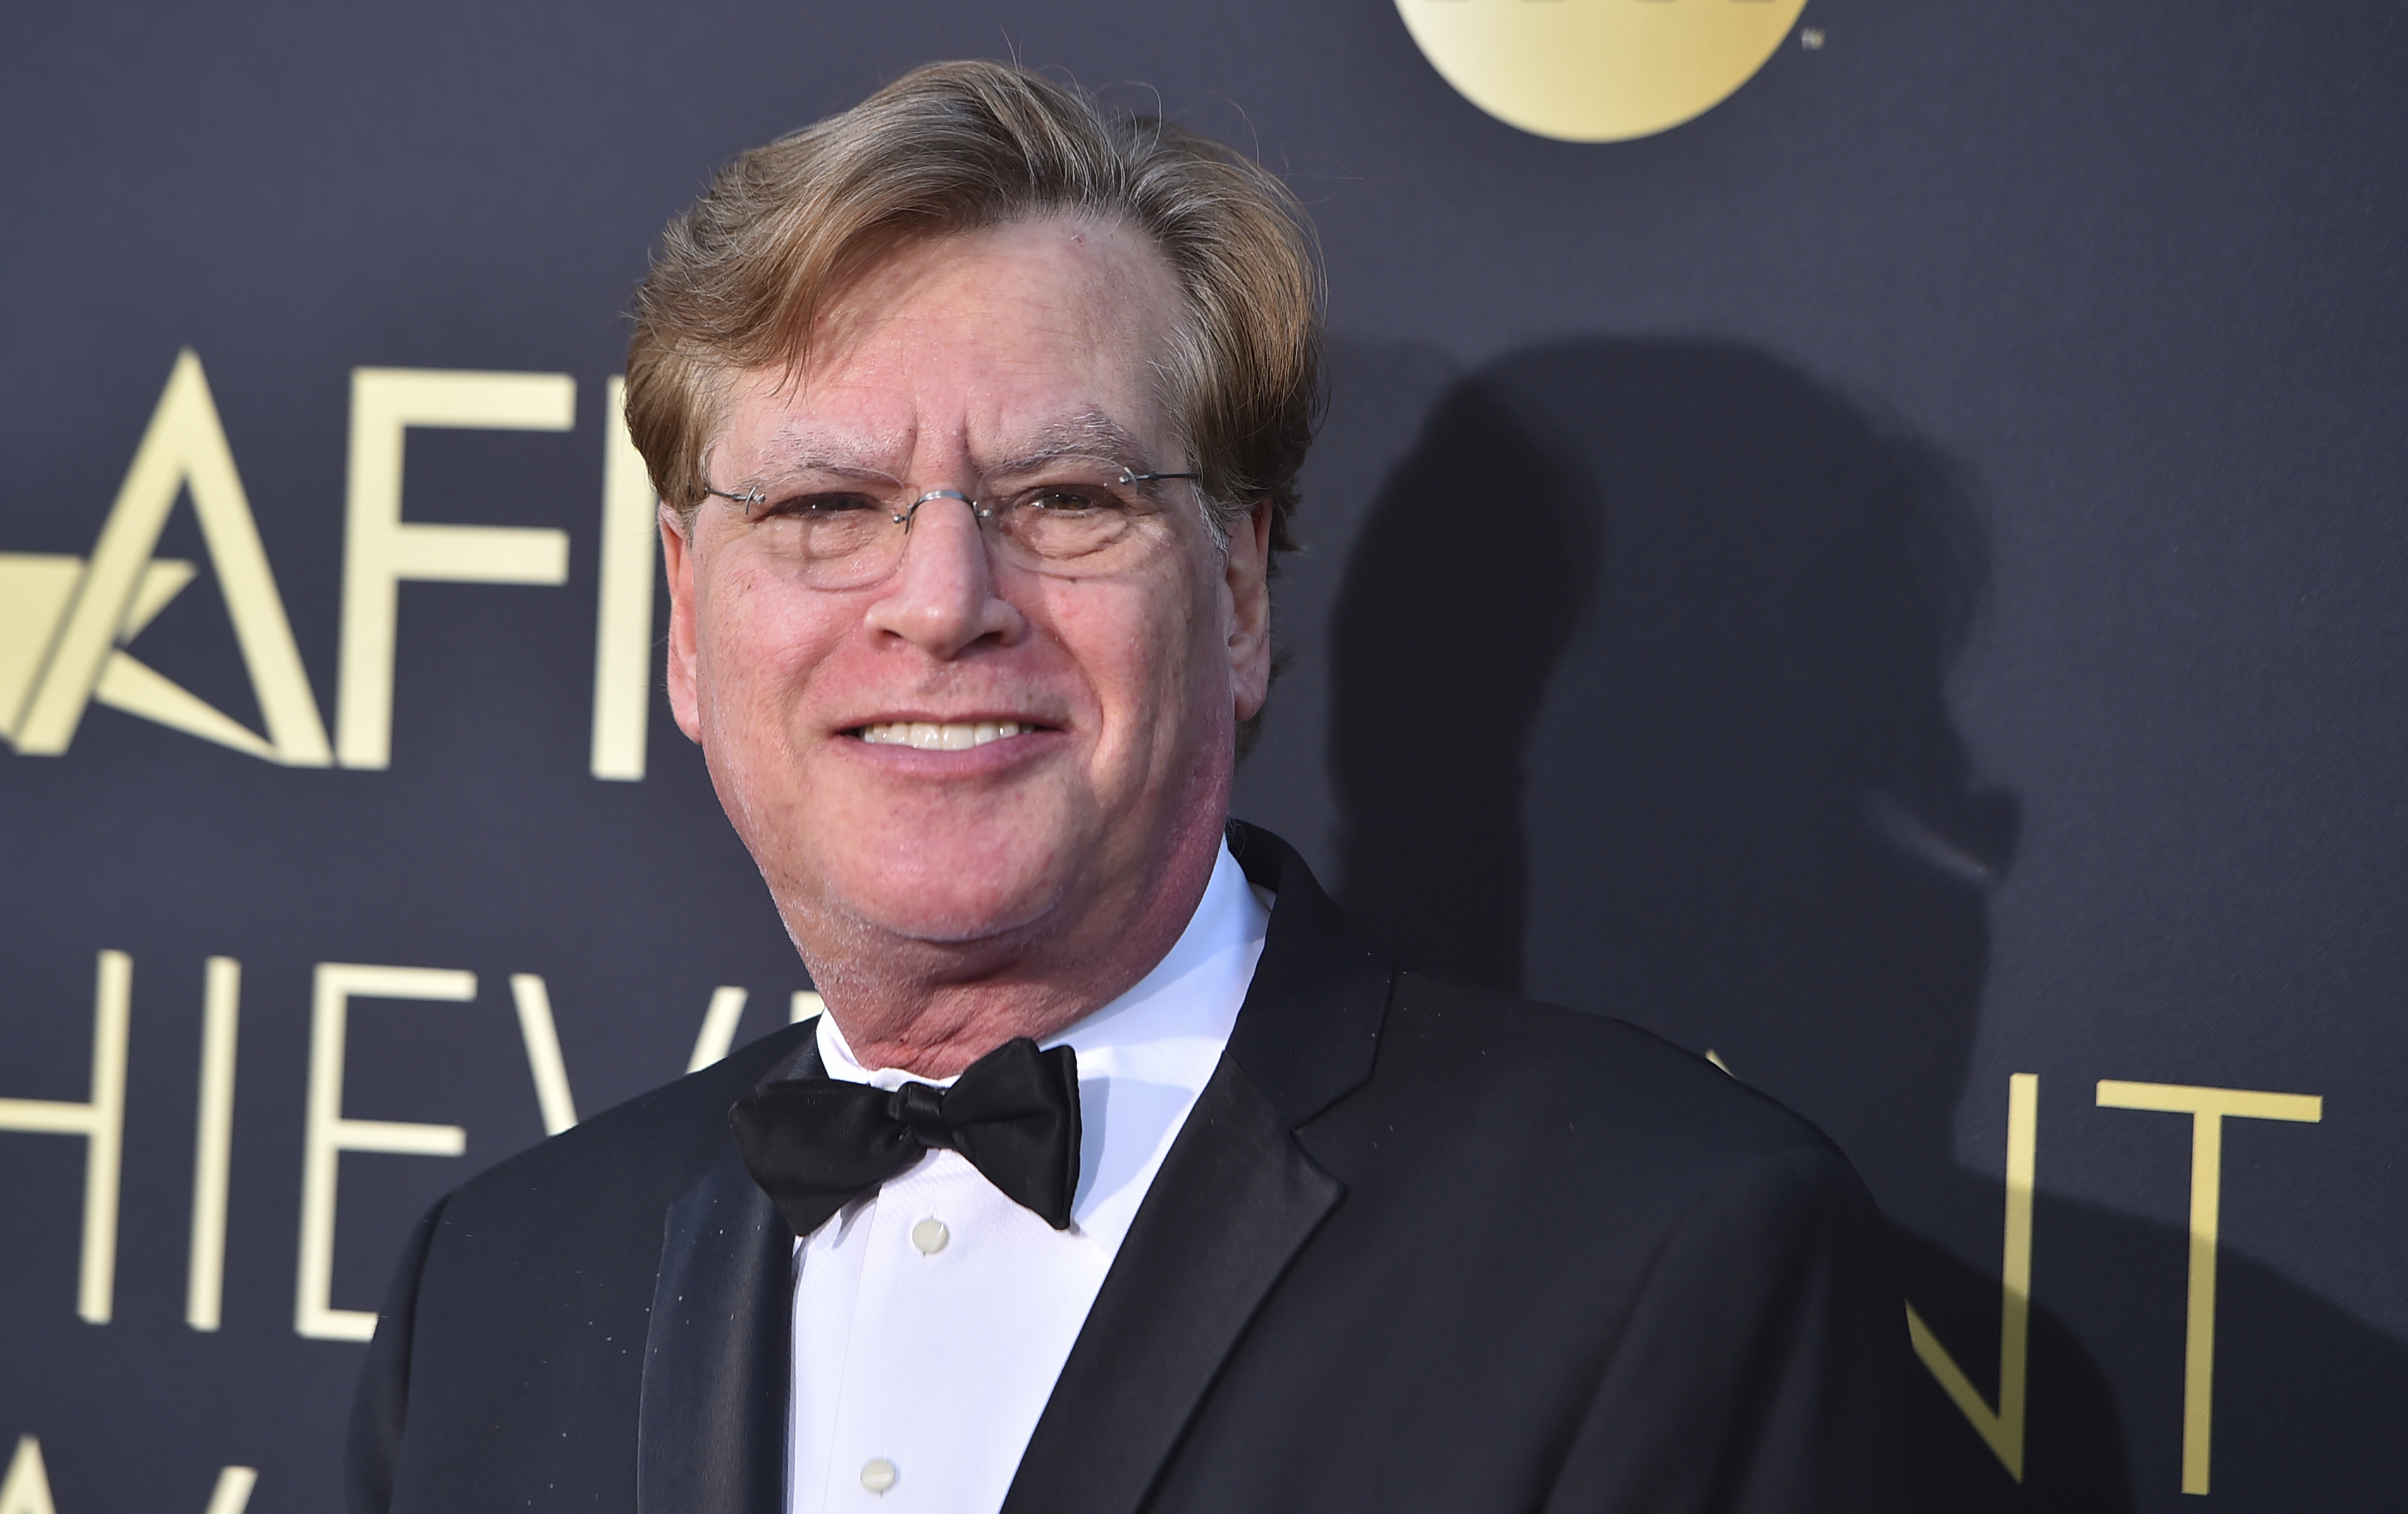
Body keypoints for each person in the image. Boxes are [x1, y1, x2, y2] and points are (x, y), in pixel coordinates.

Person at [346, 59, 1908, 1514]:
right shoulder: (489, 1289)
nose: (944, 599)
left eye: (1066, 496)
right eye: (827, 505)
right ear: (687, 620)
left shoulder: (1662, 1252)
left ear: (1235, 595)